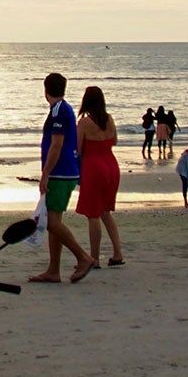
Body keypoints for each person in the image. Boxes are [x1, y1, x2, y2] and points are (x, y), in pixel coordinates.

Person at [30, 72, 93, 284]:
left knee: (51, 222)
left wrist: (45, 173)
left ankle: (83, 257)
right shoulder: (64, 108)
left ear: (45, 90)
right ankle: (53, 269)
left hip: (60, 172)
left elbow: (57, 145)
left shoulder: (58, 110)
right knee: (54, 220)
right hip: (66, 170)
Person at [76, 86, 124, 268]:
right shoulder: (109, 119)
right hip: (111, 165)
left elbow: (78, 149)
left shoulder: (84, 123)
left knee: (93, 214)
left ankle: (94, 258)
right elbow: (115, 141)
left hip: (93, 167)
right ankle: (117, 253)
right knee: (105, 212)